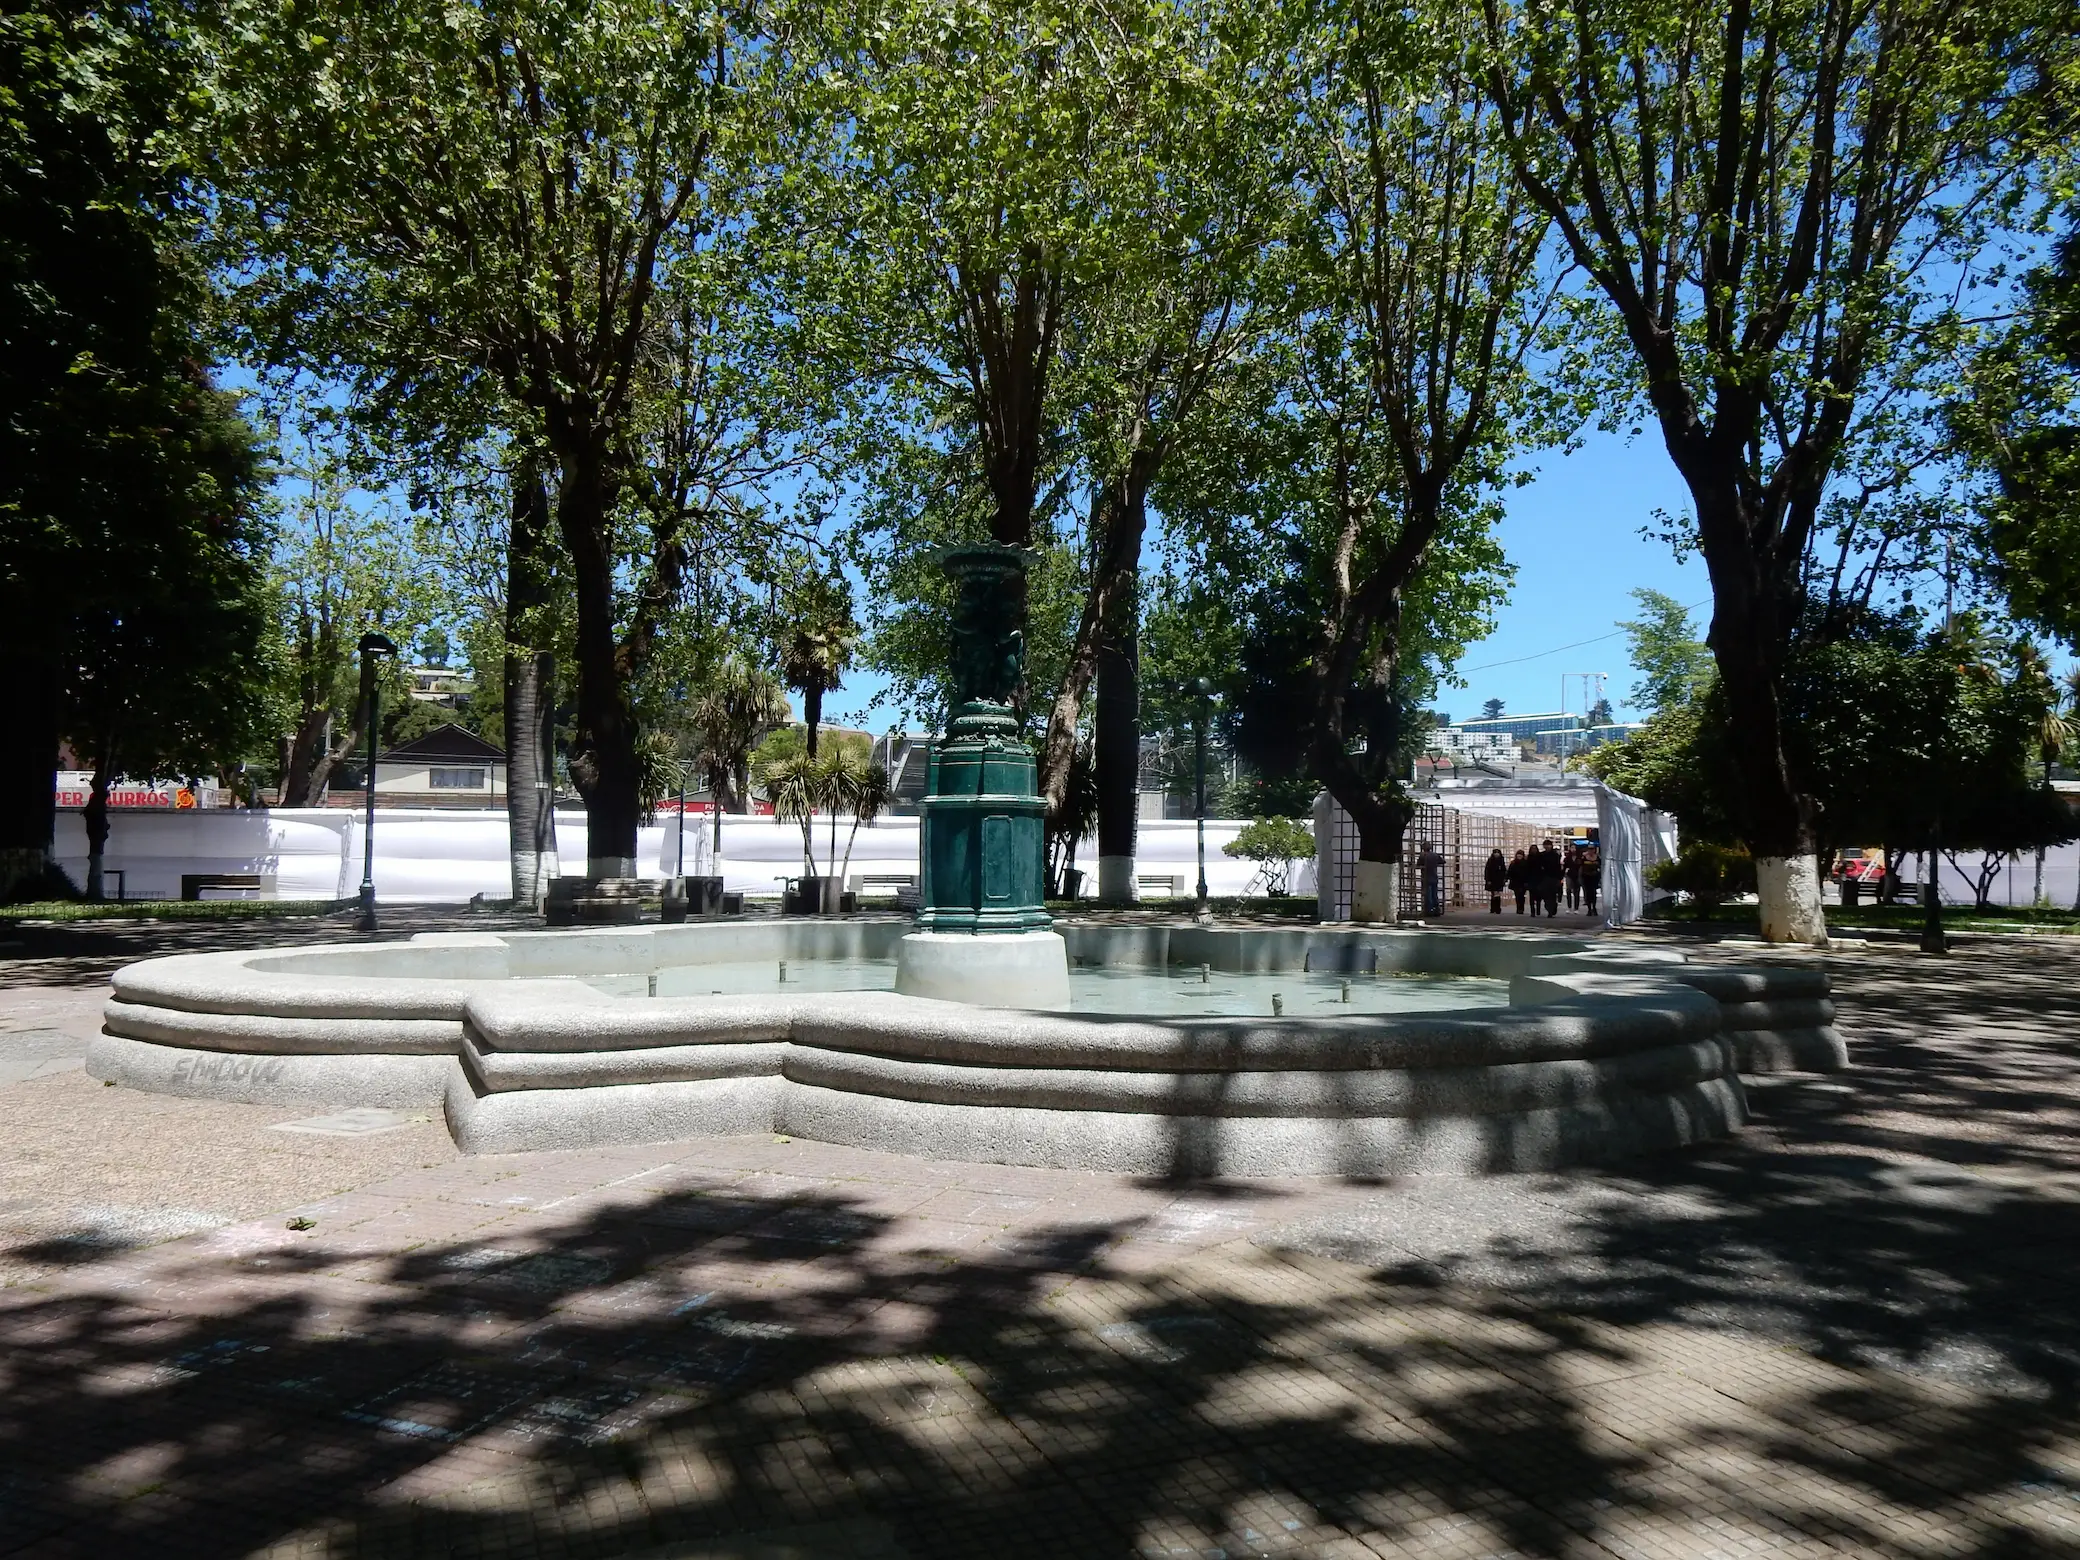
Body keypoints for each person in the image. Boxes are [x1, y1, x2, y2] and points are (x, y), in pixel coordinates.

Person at [1418, 842, 1445, 918]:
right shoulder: (1435, 855)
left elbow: (1418, 865)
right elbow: (1443, 861)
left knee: (1428, 895)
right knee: (1434, 894)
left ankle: (1429, 911)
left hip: (1426, 877)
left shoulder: (1423, 855)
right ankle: (1437, 910)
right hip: (1434, 876)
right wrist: (1435, 864)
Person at [1536, 839, 1564, 916]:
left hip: (1553, 877)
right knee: (1545, 894)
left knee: (1552, 894)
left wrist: (1560, 878)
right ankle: (1549, 908)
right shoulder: (1541, 855)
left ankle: (1552, 909)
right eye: (1545, 845)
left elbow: (1558, 867)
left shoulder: (1555, 855)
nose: (1547, 847)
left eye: (1548, 845)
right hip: (1544, 877)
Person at [1483, 848, 1508, 914]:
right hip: (1492, 880)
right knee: (1493, 895)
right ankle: (1493, 908)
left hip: (1499, 880)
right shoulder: (1490, 861)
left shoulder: (1501, 861)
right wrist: (1487, 880)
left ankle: (1497, 909)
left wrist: (1504, 878)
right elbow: (1487, 871)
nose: (1496, 854)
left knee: (1497, 895)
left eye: (1498, 853)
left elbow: (1504, 870)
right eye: (1495, 853)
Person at [1506, 848, 1529, 914]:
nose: (1519, 856)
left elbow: (1527, 872)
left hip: (1523, 882)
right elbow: (1509, 872)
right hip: (1515, 882)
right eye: (1518, 855)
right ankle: (1519, 908)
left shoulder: (1525, 863)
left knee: (1521, 895)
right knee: (1517, 895)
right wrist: (1507, 878)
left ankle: (1521, 908)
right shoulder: (1513, 863)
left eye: (1520, 855)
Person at [1581, 847, 1602, 915]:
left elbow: (1600, 866)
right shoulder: (1584, 857)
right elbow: (1581, 867)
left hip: (1594, 877)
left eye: (1592, 849)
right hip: (1586, 877)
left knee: (1593, 893)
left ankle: (1594, 907)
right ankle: (1589, 909)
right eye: (1589, 849)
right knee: (1588, 893)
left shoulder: (1598, 857)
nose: (1591, 851)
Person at [1564, 846, 1582, 911]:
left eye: (1574, 848)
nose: (1573, 849)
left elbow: (1581, 866)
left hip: (1577, 875)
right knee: (1568, 890)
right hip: (1569, 875)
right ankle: (1569, 907)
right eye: (1572, 847)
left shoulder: (1579, 858)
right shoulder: (1567, 857)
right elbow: (1564, 866)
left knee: (1576, 892)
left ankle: (1576, 908)